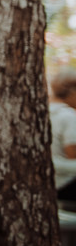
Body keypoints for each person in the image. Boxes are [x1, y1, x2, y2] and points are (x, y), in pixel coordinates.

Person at [52, 70, 76, 204]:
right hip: (65, 183)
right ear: (72, 92)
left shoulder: (47, 111)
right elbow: (72, 154)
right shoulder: (69, 116)